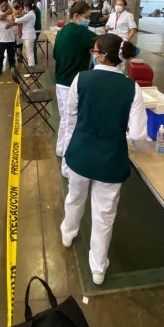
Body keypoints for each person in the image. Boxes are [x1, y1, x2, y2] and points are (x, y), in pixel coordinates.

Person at [60, 33, 149, 285]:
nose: (92, 54)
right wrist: (146, 149)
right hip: (111, 160)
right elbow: (138, 135)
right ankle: (98, 267)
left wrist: (68, 151)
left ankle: (68, 233)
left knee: (75, 197)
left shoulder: (81, 79)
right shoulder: (132, 87)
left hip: (80, 154)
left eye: (94, 51)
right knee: (104, 214)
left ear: (101, 56)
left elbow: (70, 118)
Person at [52, 0, 97, 178]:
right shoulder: (80, 32)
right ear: (76, 16)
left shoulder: (62, 31)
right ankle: (67, 169)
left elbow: (55, 55)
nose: (88, 20)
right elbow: (102, 44)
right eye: (87, 17)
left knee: (65, 119)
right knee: (73, 125)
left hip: (60, 81)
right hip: (72, 84)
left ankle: (60, 149)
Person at [0, 0, 17, 76]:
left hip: (10, 38)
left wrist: (12, 24)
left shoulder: (11, 12)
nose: (4, 6)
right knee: (0, 55)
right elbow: (0, 18)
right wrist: (7, 13)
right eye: (3, 5)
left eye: (6, 5)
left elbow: (16, 21)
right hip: (1, 39)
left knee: (11, 54)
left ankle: (12, 67)